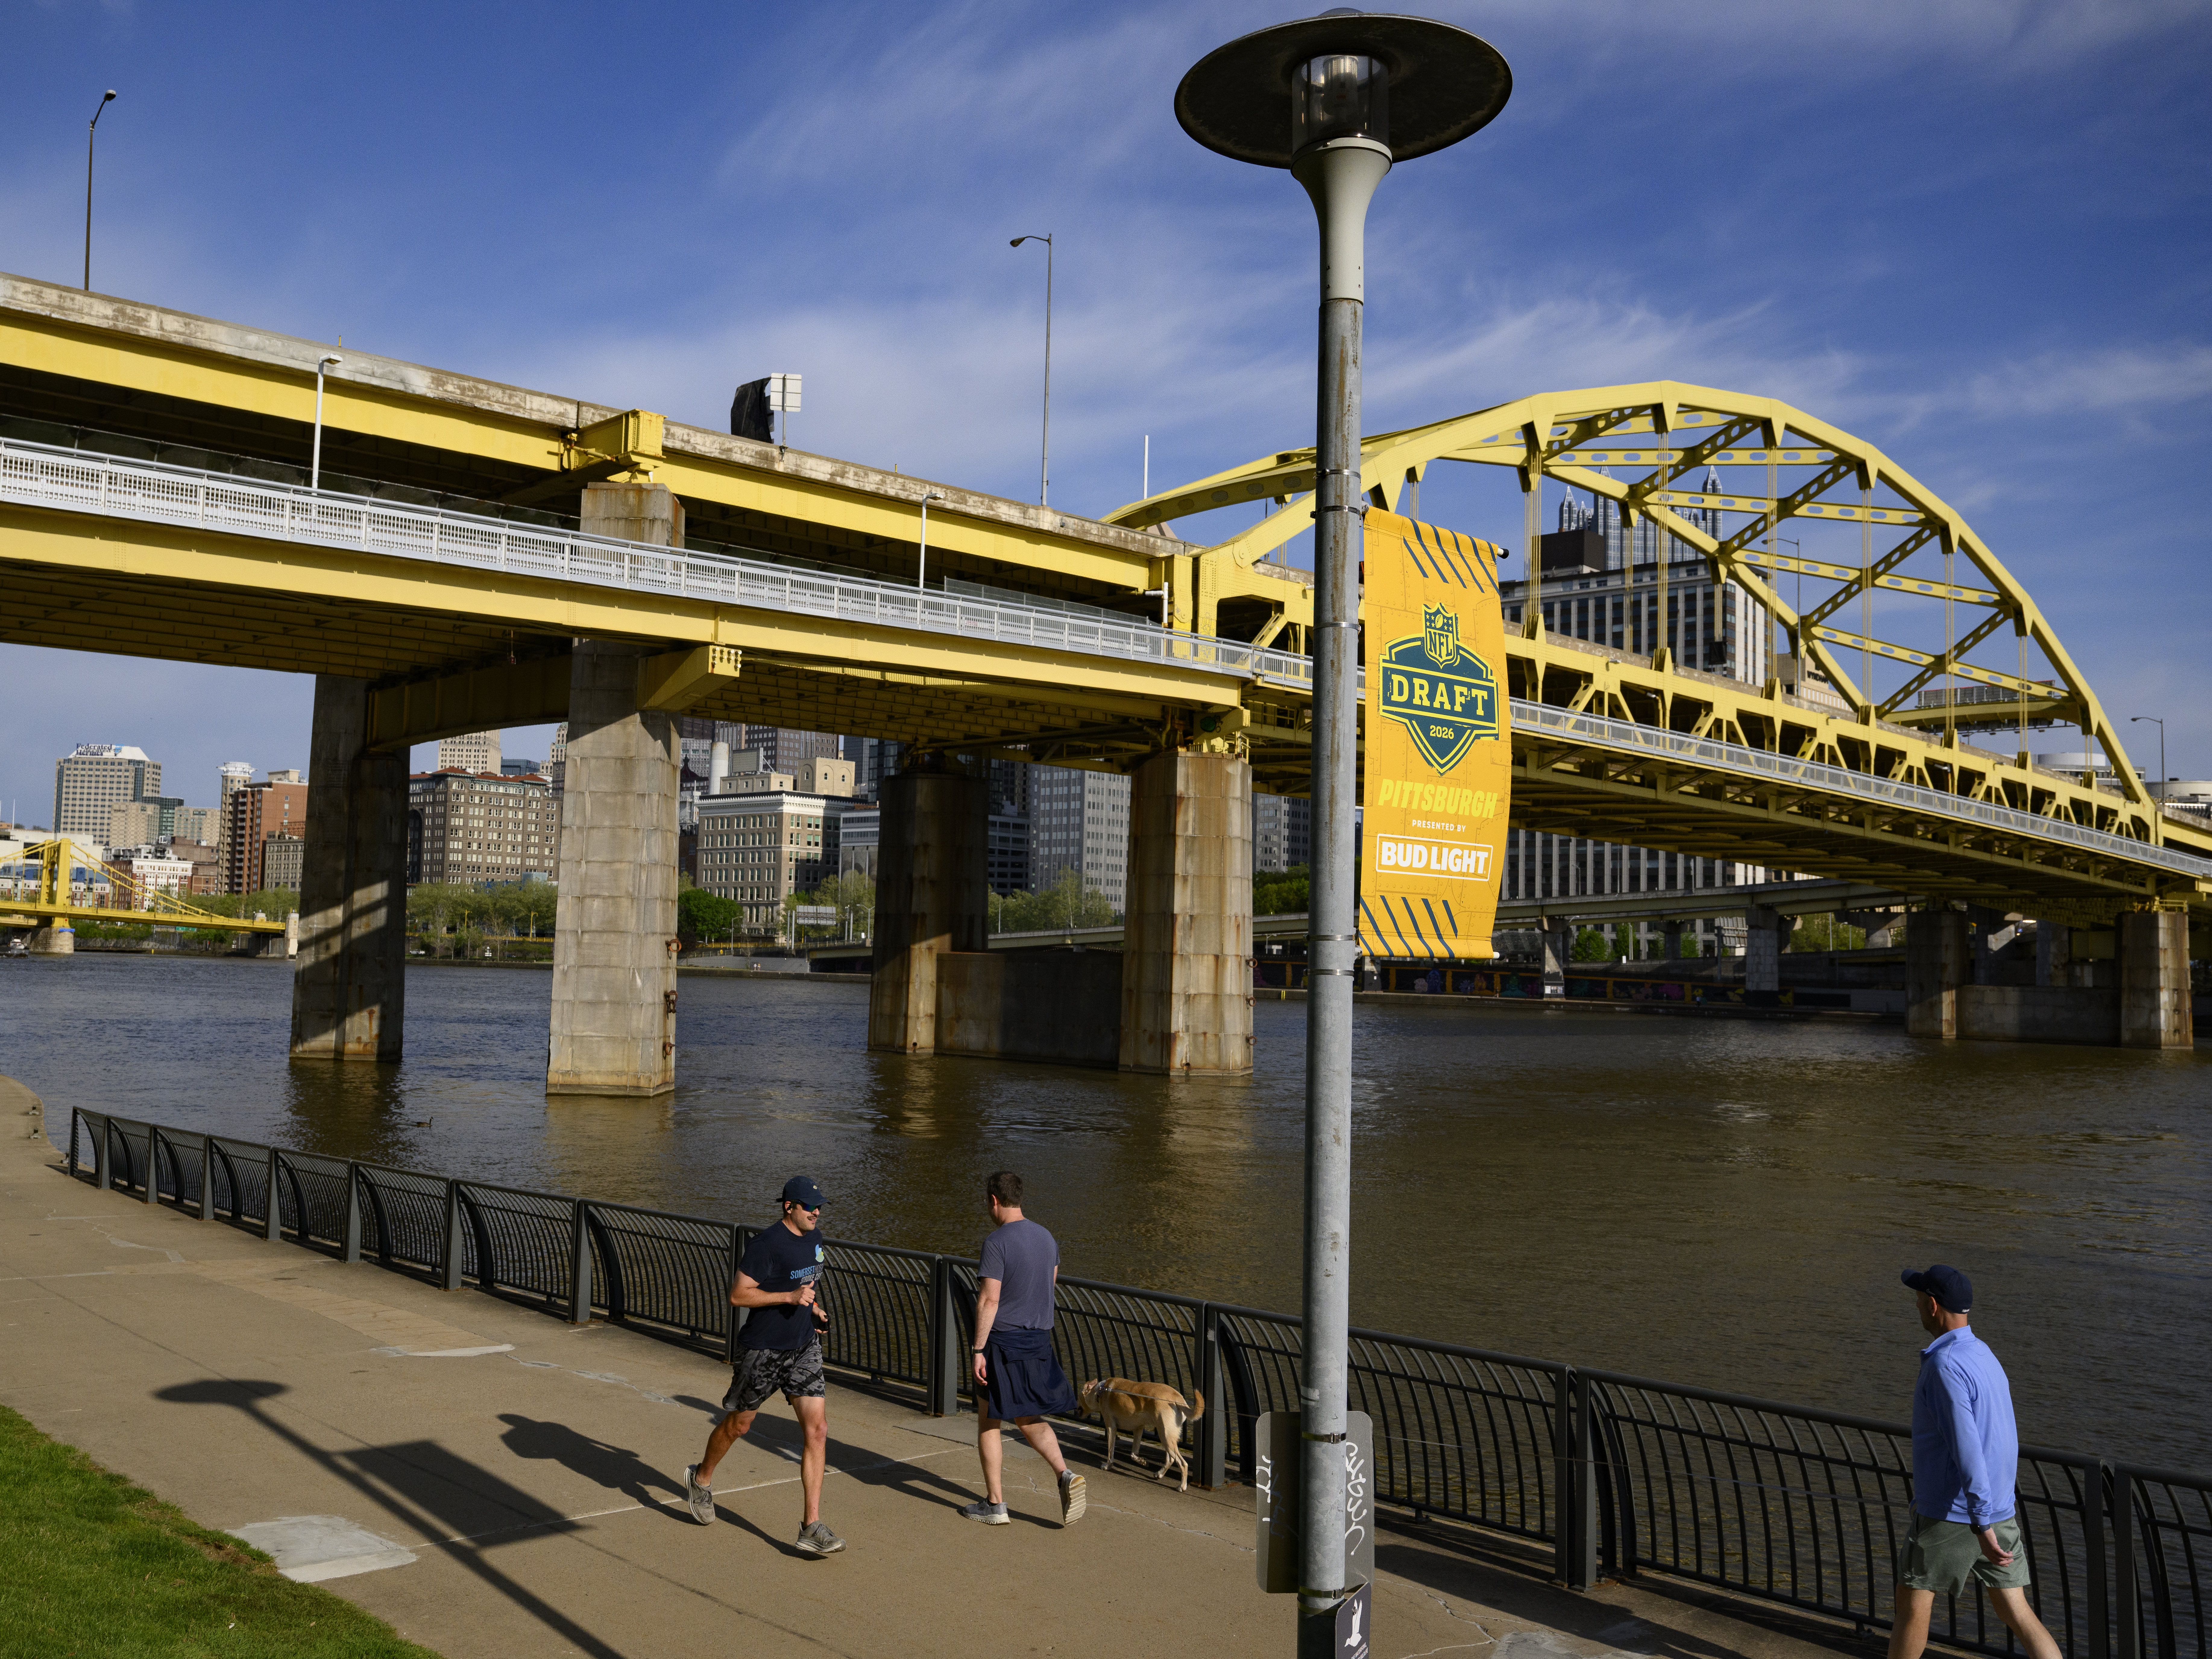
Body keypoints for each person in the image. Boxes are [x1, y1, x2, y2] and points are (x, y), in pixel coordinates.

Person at [1889, 1264, 2060, 1659]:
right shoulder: (1982, 1354)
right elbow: (1998, 1438)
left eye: (1917, 1299)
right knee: (2015, 1610)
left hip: (1956, 1516)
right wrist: (1990, 1514)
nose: (1915, 1305)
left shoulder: (1942, 1366)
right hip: (1998, 1509)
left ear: (1932, 1305)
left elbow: (1966, 1449)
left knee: (1912, 1605)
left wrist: (1980, 1522)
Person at [683, 1176, 844, 1557]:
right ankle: (701, 1478)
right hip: (763, 1349)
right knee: (741, 1424)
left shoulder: (816, 1240)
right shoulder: (767, 1244)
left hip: (803, 1346)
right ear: (789, 1206)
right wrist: (788, 1296)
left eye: (819, 1206)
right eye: (809, 1206)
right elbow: (738, 1295)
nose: (816, 1212)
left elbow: (807, 1285)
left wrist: (815, 1309)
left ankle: (811, 1525)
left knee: (818, 1429)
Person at [961, 1170, 1086, 1528]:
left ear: (993, 1200)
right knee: (1029, 1416)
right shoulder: (1047, 1238)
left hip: (1004, 1342)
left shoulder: (997, 1242)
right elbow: (1049, 1284)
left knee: (990, 1420)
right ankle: (1064, 1474)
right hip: (1039, 1339)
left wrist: (978, 1349)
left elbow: (989, 1299)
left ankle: (996, 1504)